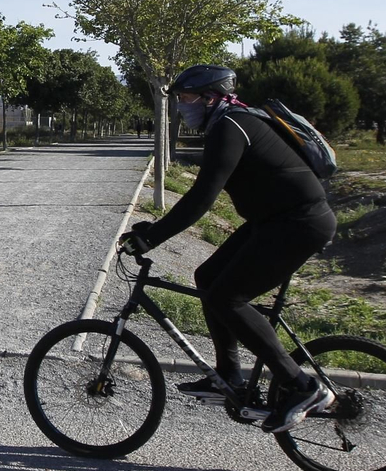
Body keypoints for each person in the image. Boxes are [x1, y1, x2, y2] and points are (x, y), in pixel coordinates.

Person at [122, 64, 337, 434]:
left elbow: (203, 197)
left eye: (186, 98)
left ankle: (302, 386)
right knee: (207, 277)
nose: (181, 106)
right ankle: (229, 377)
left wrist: (152, 237)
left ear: (210, 97)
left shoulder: (231, 127)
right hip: (272, 222)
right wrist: (153, 230)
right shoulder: (230, 123)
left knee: (228, 298)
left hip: (298, 224)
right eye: (179, 100)